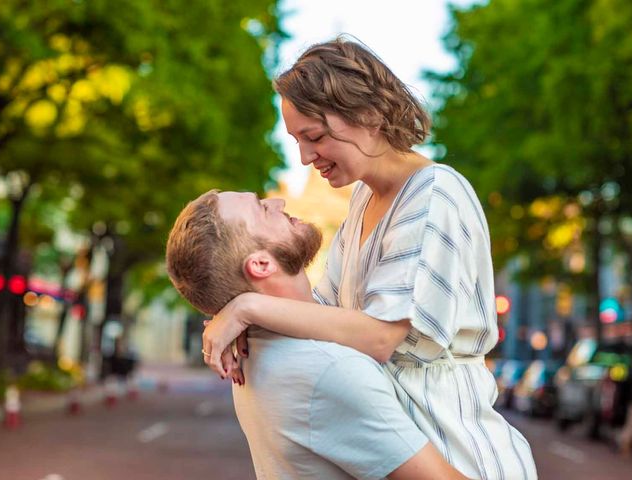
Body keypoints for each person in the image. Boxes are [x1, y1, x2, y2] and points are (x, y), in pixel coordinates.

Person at [200, 37, 537, 479]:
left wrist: (248, 307)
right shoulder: (365, 198)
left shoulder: (434, 193)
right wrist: (246, 315)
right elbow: (322, 317)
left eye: (314, 136)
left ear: (369, 115)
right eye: (297, 140)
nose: (304, 157)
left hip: (457, 451)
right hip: (410, 444)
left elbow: (381, 337)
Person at [166, 190, 471, 480]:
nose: (278, 201)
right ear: (260, 264)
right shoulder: (328, 368)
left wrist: (245, 306)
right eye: (262, 208)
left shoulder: (253, 350)